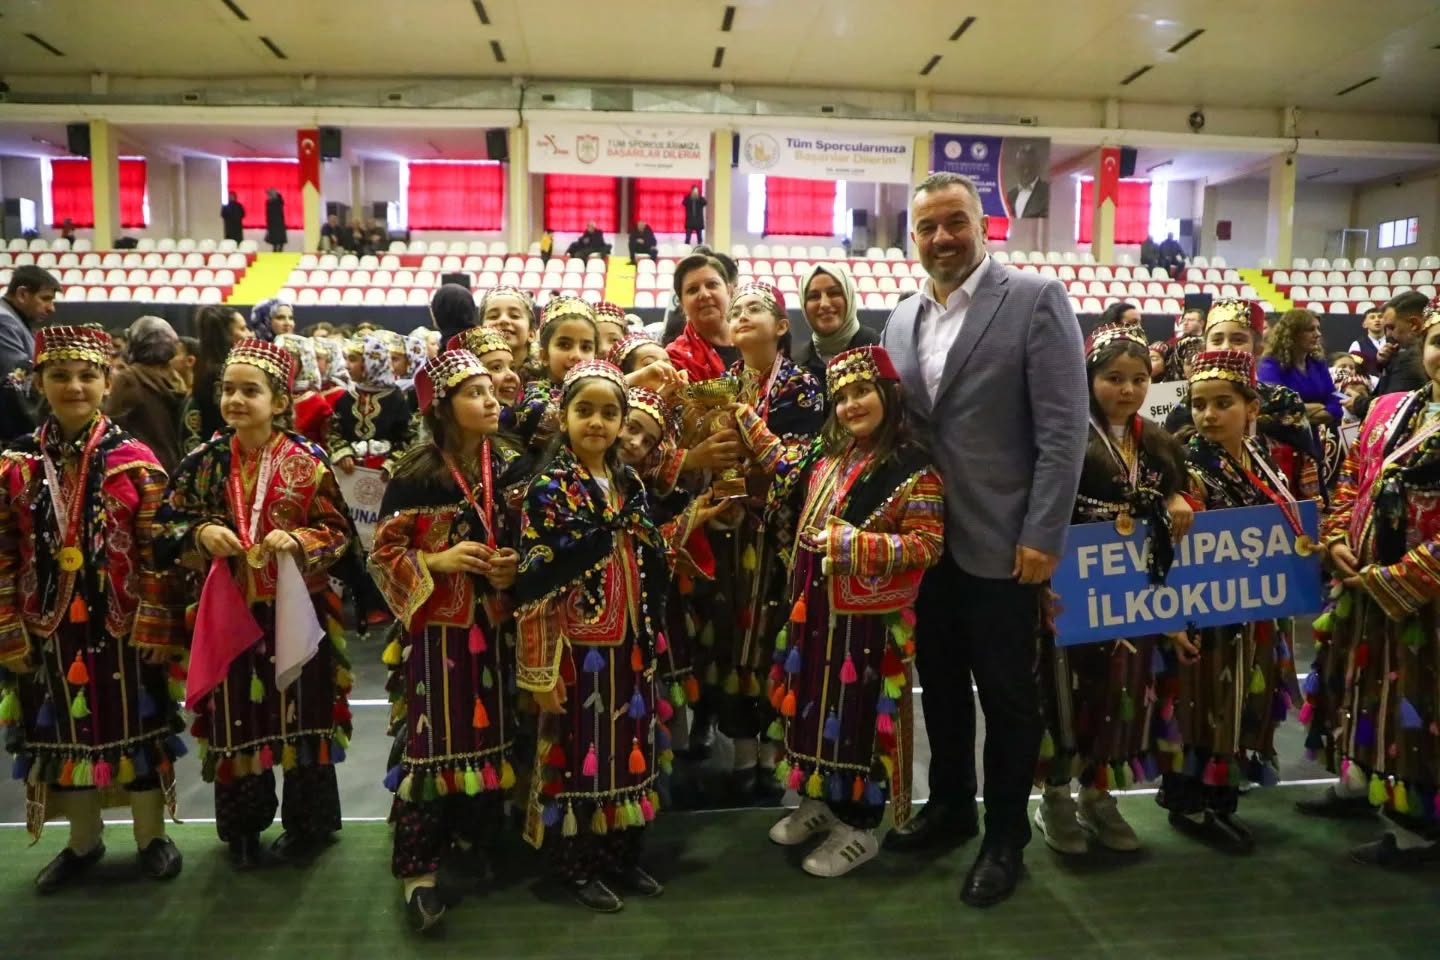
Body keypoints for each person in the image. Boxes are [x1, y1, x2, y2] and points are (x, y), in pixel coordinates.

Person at [878, 172, 1088, 909]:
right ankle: (949, 807)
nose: (941, 238)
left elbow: (1064, 430)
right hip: (925, 548)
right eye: (927, 227)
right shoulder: (899, 319)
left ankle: (1005, 838)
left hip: (1005, 544)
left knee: (1007, 698)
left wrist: (1043, 532)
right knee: (939, 688)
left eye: (955, 222)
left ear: (983, 225)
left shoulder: (1035, 299)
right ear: (913, 237)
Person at [735, 345, 944, 876]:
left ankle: (860, 826)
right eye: (843, 397)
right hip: (815, 618)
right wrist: (740, 414)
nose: (852, 405)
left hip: (869, 627)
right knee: (812, 708)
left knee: (858, 721)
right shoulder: (830, 455)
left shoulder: (913, 465)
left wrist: (858, 545)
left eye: (863, 392)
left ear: (889, 395)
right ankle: (822, 799)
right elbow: (781, 461)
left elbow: (927, 543)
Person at [150, 338, 354, 869]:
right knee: (235, 718)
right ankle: (243, 828)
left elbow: (338, 533)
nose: (236, 400)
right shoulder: (203, 463)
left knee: (304, 713)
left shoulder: (307, 461)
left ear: (280, 401)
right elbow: (166, 527)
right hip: (229, 612)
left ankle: (309, 826)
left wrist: (301, 541)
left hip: (297, 611)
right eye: (228, 390)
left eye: (250, 391)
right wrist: (202, 532)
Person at [0, 325, 185, 892]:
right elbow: (3, 550)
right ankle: (83, 841)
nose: (74, 387)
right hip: (46, 626)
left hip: (125, 624)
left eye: (87, 376)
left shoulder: (135, 461)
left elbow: (159, 548)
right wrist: (7, 626)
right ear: (39, 383)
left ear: (107, 382)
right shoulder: (15, 464)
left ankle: (151, 836)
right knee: (62, 732)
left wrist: (157, 619)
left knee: (140, 725)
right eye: (60, 376)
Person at [371, 352, 524, 931]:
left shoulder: (508, 464)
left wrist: (514, 564)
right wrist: (436, 559)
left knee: (493, 736)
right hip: (438, 635)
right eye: (474, 392)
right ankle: (418, 873)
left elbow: (531, 536)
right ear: (442, 407)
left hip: (499, 629)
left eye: (492, 389)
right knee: (432, 747)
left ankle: (474, 839)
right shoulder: (416, 474)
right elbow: (382, 556)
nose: (490, 400)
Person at [514, 360, 671, 913]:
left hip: (631, 645)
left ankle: (622, 855)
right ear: (564, 416)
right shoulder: (550, 489)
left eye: (609, 412)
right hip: (578, 650)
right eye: (585, 410)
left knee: (629, 750)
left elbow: (647, 552)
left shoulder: (630, 484)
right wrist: (540, 670)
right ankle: (577, 867)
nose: (597, 423)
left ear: (623, 420)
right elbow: (537, 582)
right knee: (580, 755)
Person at [1033, 321, 1191, 857]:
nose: (1127, 389)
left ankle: (1098, 794)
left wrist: (1174, 498)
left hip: (1132, 595)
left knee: (1120, 690)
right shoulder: (1063, 437)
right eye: (1113, 378)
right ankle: (1056, 795)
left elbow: (1174, 495)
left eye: (1139, 379)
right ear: (1088, 378)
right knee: (1063, 691)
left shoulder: (1161, 443)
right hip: (1069, 590)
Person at [1302, 295, 1440, 866]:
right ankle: (1359, 783)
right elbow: (1352, 476)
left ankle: (1415, 827)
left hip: (1423, 602)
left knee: (1415, 700)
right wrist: (1337, 536)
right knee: (1359, 687)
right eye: (1438, 343)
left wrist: (1400, 577)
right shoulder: (1389, 408)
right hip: (1359, 585)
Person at [1159, 349, 1296, 853]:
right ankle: (1189, 804)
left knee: (1240, 703)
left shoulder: (1260, 458)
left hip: (1252, 608)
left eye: (1223, 404)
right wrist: (1171, 618)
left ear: (1251, 407)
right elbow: (1162, 547)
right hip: (1202, 612)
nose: (1208, 415)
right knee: (1200, 707)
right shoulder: (1182, 464)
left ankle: (1221, 799)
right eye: (1199, 404)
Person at [707, 282, 824, 798]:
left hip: (781, 537)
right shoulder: (722, 383)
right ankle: (740, 748)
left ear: (780, 327)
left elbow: (794, 468)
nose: (742, 315)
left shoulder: (804, 386)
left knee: (776, 636)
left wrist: (746, 422)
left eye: (754, 308)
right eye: (736, 310)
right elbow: (715, 457)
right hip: (731, 532)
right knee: (731, 634)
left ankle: (775, 751)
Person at [105, 316, 187, 472]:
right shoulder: (177, 379)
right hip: (174, 468)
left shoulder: (128, 379)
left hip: (141, 470)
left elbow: (109, 427)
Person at [328, 334, 415, 477]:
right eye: (346, 359)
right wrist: (343, 453)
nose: (346, 365)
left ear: (371, 362)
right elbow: (333, 432)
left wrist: (392, 463)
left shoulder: (396, 399)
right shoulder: (346, 398)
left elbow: (409, 438)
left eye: (353, 359)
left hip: (387, 477)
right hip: (350, 475)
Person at [791, 262, 881, 391]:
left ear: (848, 297)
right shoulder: (797, 366)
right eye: (814, 296)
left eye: (834, 293)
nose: (824, 304)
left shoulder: (879, 350)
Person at [0, 265, 61, 442]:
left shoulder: (15, 319)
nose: (51, 308)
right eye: (45, 298)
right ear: (22, 294)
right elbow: (18, 378)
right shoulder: (4, 321)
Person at [181, 305, 249, 451]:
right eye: (243, 329)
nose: (249, 334)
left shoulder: (202, 368)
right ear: (226, 335)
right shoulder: (224, 375)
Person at [1005, 142, 1049, 219]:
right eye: (1022, 166)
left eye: (1031, 166)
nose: (1026, 171)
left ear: (1038, 167)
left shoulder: (1048, 193)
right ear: (1016, 168)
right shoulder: (1010, 196)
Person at [1348, 306, 1387, 378]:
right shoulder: (1357, 345)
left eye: (1380, 317)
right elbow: (1354, 367)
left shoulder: (1394, 343)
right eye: (1372, 317)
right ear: (1364, 324)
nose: (1377, 320)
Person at [264, 188, 287, 253]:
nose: (269, 196)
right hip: (272, 221)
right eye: (269, 194)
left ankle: (280, 248)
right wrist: (267, 221)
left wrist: (277, 194)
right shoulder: (268, 202)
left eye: (270, 194)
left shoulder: (279, 200)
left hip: (279, 221)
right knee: (273, 236)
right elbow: (268, 212)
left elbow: (281, 202)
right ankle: (275, 247)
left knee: (280, 235)